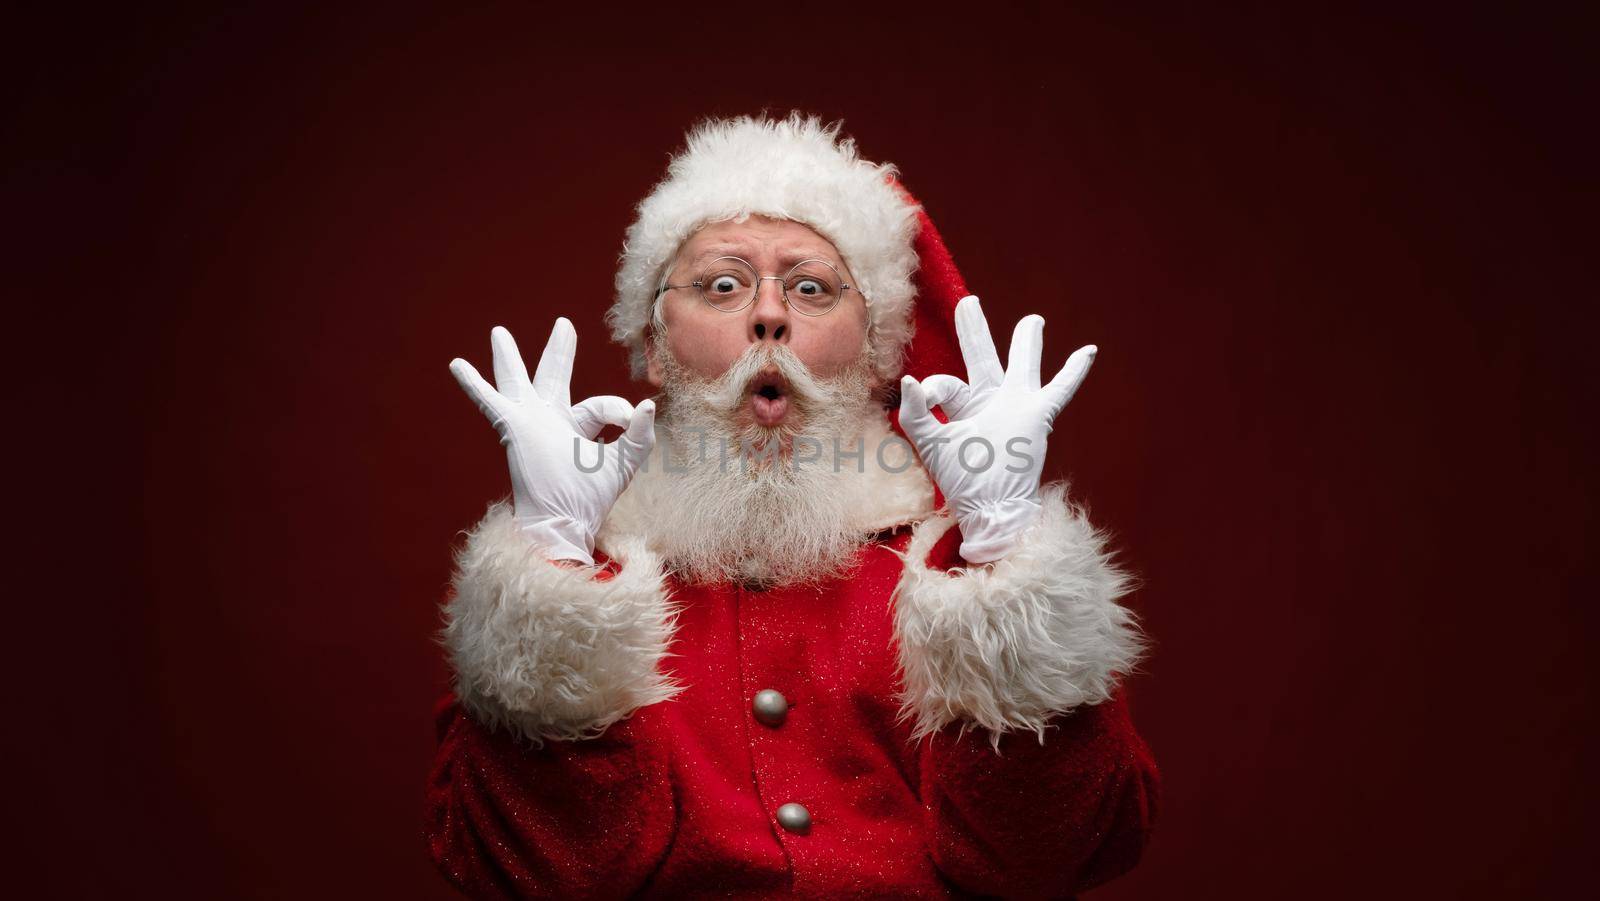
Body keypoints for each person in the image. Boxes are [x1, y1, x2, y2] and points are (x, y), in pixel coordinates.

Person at [425, 112, 1159, 899]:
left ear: (875, 345)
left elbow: (1053, 857)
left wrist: (1001, 553)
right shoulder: (587, 572)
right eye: (722, 285)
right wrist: (556, 561)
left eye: (810, 287)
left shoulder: (953, 569)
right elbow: (527, 872)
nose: (768, 315)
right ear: (657, 343)